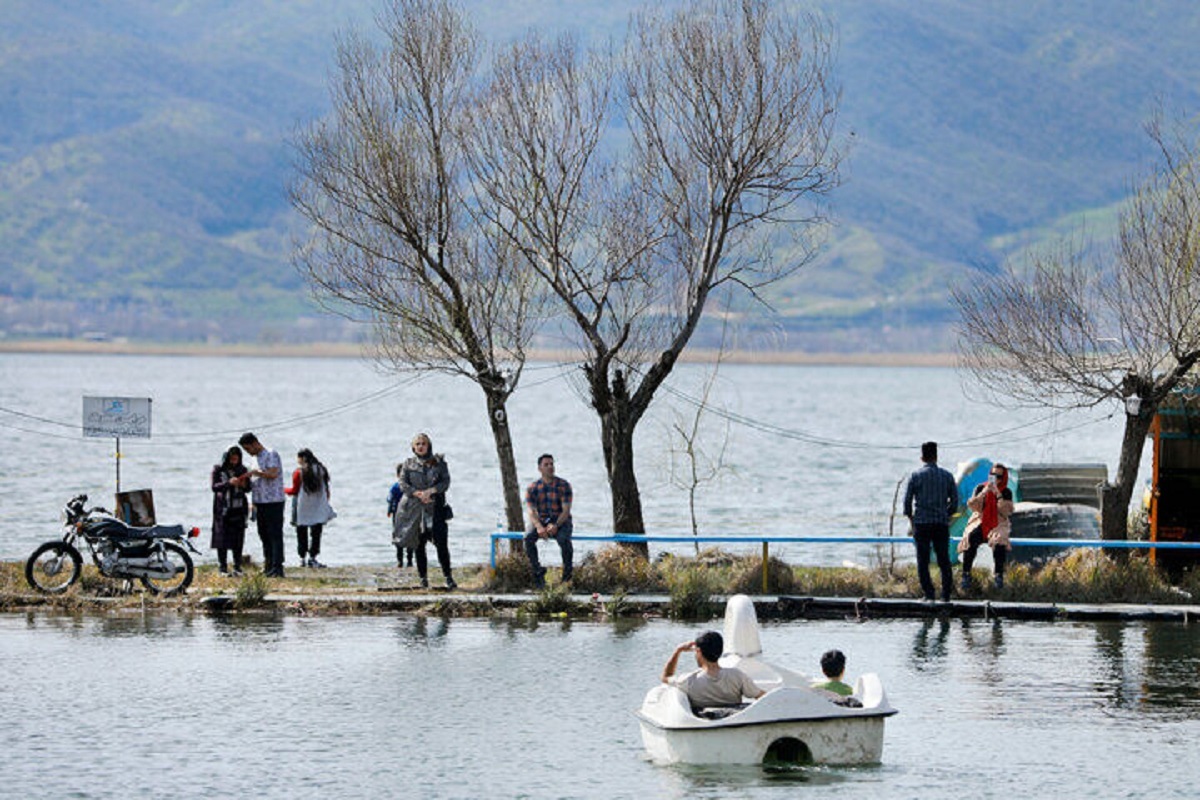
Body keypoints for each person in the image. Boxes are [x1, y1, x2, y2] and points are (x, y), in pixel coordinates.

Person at [395, 433, 456, 589]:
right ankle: (423, 578)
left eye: (423, 443)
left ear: (428, 445)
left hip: (436, 509)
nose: (421, 446)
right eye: (418, 444)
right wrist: (417, 493)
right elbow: (403, 483)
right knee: (419, 546)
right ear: (413, 447)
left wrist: (431, 491)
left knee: (442, 544)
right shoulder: (408, 464)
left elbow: (446, 482)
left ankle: (448, 577)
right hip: (415, 511)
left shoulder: (439, 462)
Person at [903, 440, 959, 602]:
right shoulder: (947, 476)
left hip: (922, 524)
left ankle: (929, 594)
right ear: (936, 456)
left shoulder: (915, 476)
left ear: (922, 458)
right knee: (944, 560)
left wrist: (912, 519)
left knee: (923, 560)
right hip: (941, 524)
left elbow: (907, 503)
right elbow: (954, 503)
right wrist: (945, 514)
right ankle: (945, 595)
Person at [661, 630, 765, 712]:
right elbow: (762, 697)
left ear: (698, 651)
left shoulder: (688, 680)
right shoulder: (737, 676)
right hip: (733, 722)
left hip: (703, 725)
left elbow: (665, 678)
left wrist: (678, 651)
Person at [239, 432, 286, 578]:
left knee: (275, 534)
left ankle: (277, 567)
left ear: (255, 443)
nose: (248, 452)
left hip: (274, 501)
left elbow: (272, 474)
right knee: (263, 534)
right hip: (259, 502)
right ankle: (268, 564)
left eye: (248, 449)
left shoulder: (271, 454)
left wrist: (255, 472)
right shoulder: (254, 459)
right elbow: (255, 482)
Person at [960, 462, 1014, 590]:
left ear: (1003, 478)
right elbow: (973, 507)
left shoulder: (1006, 492)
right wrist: (984, 492)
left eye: (999, 477)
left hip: (998, 522)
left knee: (1000, 541)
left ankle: (998, 575)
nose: (996, 479)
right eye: (993, 475)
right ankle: (966, 574)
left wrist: (998, 494)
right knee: (971, 538)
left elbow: (1006, 512)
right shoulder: (980, 488)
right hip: (981, 520)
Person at [524, 453, 574, 589]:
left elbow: (566, 511)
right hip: (541, 520)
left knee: (564, 540)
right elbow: (531, 511)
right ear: (539, 468)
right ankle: (538, 571)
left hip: (561, 520)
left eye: (552, 464)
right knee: (528, 538)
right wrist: (539, 527)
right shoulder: (532, 488)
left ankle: (567, 576)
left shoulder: (564, 485)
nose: (550, 467)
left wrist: (556, 525)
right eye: (546, 465)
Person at [287, 448, 334, 568]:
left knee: (301, 532)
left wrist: (282, 490)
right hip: (318, 505)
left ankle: (302, 558)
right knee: (316, 533)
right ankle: (313, 558)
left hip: (302, 506)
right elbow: (326, 489)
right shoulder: (321, 469)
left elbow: (294, 490)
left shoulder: (299, 472)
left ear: (302, 458)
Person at [210, 446, 250, 576]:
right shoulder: (218, 469)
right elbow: (214, 487)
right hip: (223, 509)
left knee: (238, 539)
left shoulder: (243, 470)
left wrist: (243, 484)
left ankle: (237, 567)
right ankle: (222, 567)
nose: (234, 460)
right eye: (232, 458)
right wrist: (228, 483)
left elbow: (248, 488)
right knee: (222, 539)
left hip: (239, 508)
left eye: (237, 458)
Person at [388, 464, 416, 569]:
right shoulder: (397, 487)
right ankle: (404, 561)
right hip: (401, 516)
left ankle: (405, 561)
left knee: (405, 537)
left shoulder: (403, 487)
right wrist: (389, 510)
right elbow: (391, 501)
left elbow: (390, 501)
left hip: (405, 515)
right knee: (403, 537)